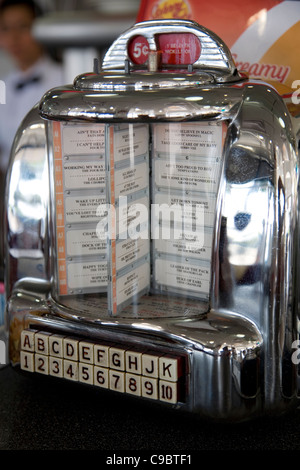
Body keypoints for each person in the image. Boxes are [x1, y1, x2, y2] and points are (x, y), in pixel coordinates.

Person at [0, 0, 64, 281]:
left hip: (50, 187)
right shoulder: (3, 86)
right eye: (5, 29)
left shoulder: (63, 79)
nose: (14, 38)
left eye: (23, 27)